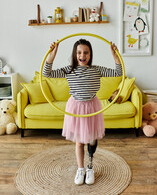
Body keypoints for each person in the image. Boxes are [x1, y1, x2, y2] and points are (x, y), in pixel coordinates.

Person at [43, 39, 122, 185]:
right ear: (75, 54)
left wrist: (115, 55)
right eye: (79, 52)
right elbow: (47, 73)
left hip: (92, 107)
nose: (82, 55)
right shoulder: (69, 69)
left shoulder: (96, 70)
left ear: (90, 54)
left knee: (91, 139)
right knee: (79, 142)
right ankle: (81, 169)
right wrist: (52, 54)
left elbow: (119, 72)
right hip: (76, 108)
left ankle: (90, 167)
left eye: (86, 52)